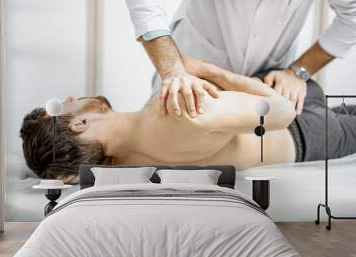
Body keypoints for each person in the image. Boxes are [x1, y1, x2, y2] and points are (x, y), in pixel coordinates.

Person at [20, 56, 356, 183]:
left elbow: (68, 173)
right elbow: (281, 112)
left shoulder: (117, 166)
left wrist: (62, 168)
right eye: (65, 107)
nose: (68, 99)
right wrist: (205, 70)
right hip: (305, 128)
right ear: (79, 125)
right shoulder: (180, 115)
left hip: (280, 104)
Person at [125, 0, 356, 117]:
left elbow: (352, 14)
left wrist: (299, 70)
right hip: (188, 71)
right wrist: (173, 69)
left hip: (267, 82)